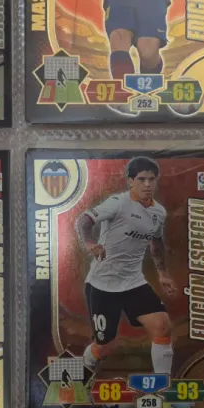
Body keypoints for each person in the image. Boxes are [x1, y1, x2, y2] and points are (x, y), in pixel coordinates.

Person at [76, 156, 177, 376]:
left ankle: (162, 387)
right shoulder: (118, 203)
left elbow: (156, 243)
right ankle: (84, 368)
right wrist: (90, 243)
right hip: (103, 285)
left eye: (152, 179)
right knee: (106, 347)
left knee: (162, 326)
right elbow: (84, 220)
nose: (147, 184)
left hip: (133, 282)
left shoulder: (159, 212)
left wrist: (162, 273)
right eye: (141, 179)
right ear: (131, 181)